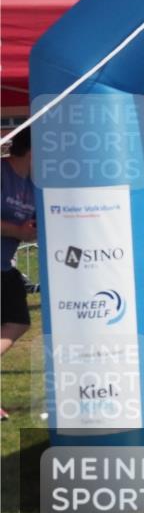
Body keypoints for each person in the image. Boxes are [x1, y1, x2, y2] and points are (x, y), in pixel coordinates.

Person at [1, 128, 34, 417]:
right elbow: (17, 227)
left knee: (18, 322)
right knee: (17, 321)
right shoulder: (2, 172)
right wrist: (18, 231)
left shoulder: (32, 184)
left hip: (5, 266)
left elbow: (30, 227)